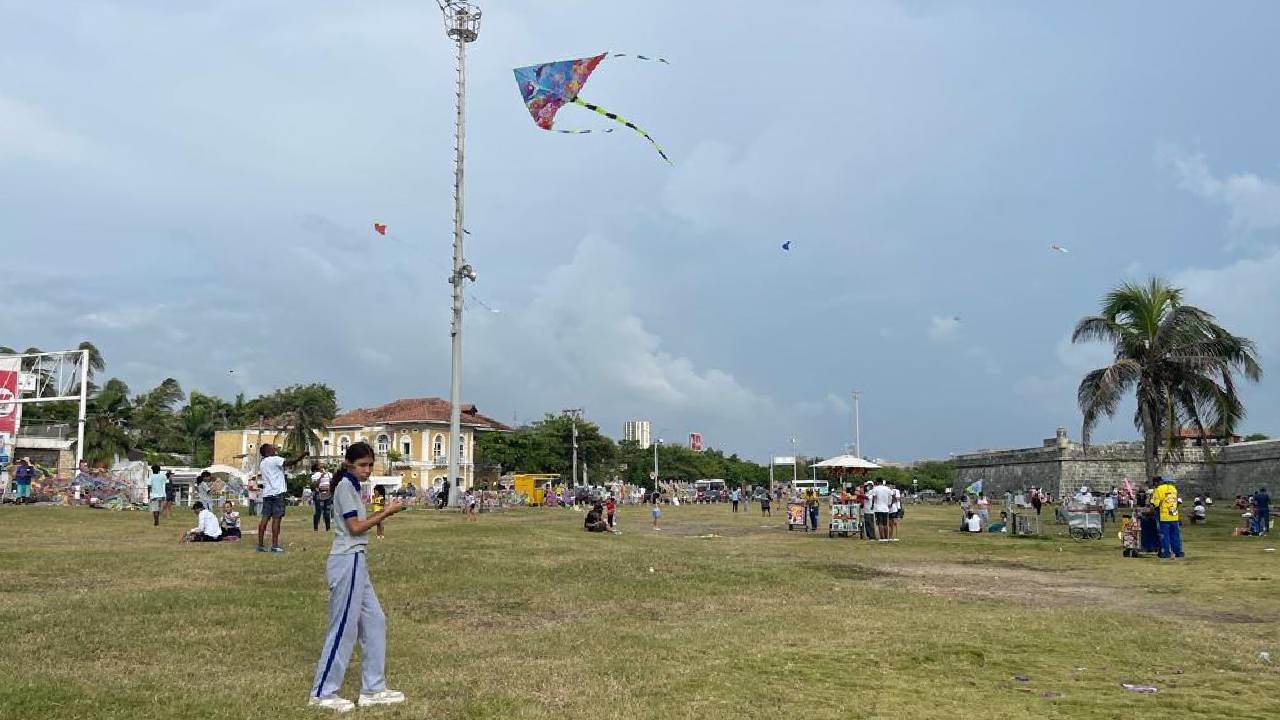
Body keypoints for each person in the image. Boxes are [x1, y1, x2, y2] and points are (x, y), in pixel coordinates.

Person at [308, 441, 406, 712]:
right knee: (343, 628)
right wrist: (386, 512)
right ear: (349, 464)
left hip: (357, 559)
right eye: (362, 465)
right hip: (346, 560)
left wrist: (381, 514)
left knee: (375, 621)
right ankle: (322, 693)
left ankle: (373, 689)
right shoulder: (344, 487)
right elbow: (355, 527)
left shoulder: (353, 487)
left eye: (370, 465)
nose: (367, 470)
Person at [255, 443, 308, 554]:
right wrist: (303, 455)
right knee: (276, 519)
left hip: (267, 494)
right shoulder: (275, 459)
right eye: (272, 447)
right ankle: (274, 546)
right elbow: (290, 462)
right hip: (278, 493)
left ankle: (260, 545)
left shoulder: (262, 463)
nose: (274, 448)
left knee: (264, 518)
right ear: (268, 451)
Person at [1150, 476, 1184, 559]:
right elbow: (1179, 501)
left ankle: (1165, 552)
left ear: (1156, 483)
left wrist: (1155, 510)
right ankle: (1178, 552)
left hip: (1164, 517)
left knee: (1164, 536)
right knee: (1175, 535)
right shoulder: (1173, 488)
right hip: (1174, 516)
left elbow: (1156, 504)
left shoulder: (1158, 490)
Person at [311, 463, 333, 532]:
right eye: (320, 465)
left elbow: (331, 483)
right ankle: (316, 528)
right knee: (318, 511)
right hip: (319, 493)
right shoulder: (315, 475)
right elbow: (314, 485)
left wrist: (330, 490)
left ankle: (328, 528)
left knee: (327, 511)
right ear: (318, 467)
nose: (322, 466)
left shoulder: (329, 474)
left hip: (327, 493)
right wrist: (321, 477)